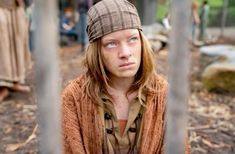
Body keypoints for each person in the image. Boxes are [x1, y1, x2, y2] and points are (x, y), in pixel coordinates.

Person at [61, 0, 190, 153]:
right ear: (97, 51)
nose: (125, 53)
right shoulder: (74, 97)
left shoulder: (165, 95)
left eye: (133, 39)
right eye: (111, 43)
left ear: (142, 42)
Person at [0, 0, 31, 102]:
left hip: (16, 5)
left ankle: (15, 81)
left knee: (17, 42)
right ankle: (3, 85)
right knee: (2, 44)